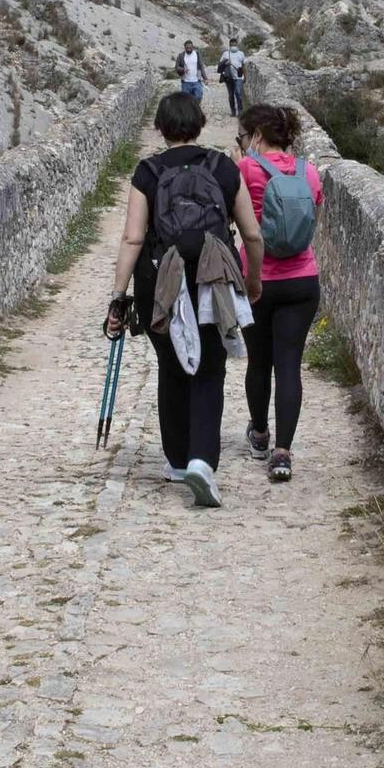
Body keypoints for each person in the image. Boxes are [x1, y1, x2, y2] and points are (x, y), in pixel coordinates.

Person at [107, 91, 264, 508]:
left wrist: (118, 296)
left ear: (160, 128)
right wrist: (252, 280)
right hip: (214, 278)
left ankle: (177, 460)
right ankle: (201, 461)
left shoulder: (148, 172)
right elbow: (251, 233)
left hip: (160, 281)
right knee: (209, 370)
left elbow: (133, 237)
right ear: (198, 123)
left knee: (172, 366)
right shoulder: (224, 168)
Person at [234, 105, 324, 483]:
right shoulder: (311, 173)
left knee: (259, 361)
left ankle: (259, 435)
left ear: (256, 136)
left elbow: (234, 216)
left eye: (243, 136)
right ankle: (283, 453)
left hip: (257, 279)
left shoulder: (247, 170)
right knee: (290, 366)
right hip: (303, 280)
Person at [216, 39, 247, 117]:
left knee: (238, 93)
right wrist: (226, 63)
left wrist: (245, 76)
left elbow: (243, 65)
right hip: (228, 77)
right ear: (229, 46)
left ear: (237, 45)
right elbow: (220, 65)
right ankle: (233, 111)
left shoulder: (241, 54)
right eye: (232, 45)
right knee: (230, 95)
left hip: (239, 77)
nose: (233, 46)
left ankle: (240, 110)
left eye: (235, 45)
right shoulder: (225, 54)